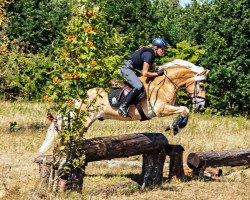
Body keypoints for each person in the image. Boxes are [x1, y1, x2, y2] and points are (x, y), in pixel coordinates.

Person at [118, 37, 166, 117]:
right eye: (162, 49)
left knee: (143, 82)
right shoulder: (149, 54)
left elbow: (153, 67)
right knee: (139, 86)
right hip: (125, 68)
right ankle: (123, 106)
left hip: (129, 68)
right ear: (157, 48)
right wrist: (157, 74)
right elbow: (145, 73)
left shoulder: (151, 54)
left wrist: (159, 68)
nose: (163, 52)